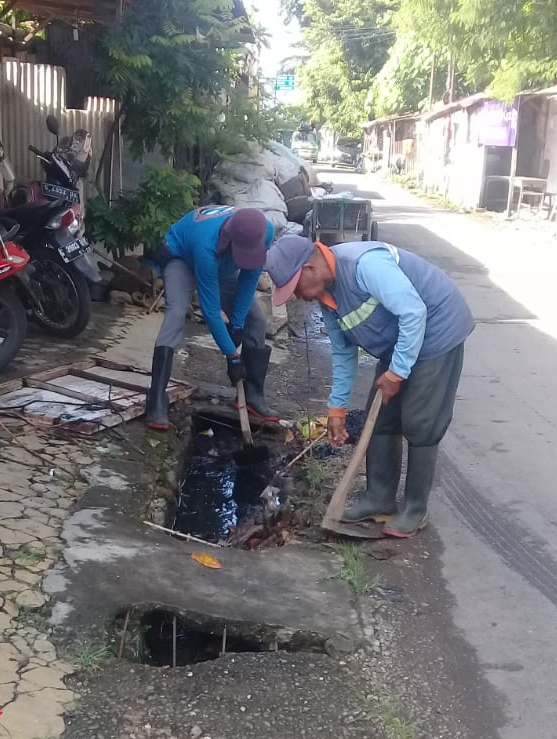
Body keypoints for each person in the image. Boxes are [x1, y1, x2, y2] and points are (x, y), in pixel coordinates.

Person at [265, 234, 474, 536]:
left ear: (309, 268)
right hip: (399, 339)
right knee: (381, 418)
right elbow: (342, 352)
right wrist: (336, 407)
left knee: (420, 420)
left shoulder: (365, 265)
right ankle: (379, 498)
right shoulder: (326, 297)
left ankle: (415, 509)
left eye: (295, 288)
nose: (298, 297)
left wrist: (397, 372)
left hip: (437, 332)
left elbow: (414, 313)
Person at [145, 206, 277, 431]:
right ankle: (156, 399)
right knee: (175, 315)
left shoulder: (264, 231)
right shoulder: (206, 242)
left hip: (224, 264)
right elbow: (211, 310)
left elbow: (249, 278)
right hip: (182, 257)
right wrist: (232, 355)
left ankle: (252, 395)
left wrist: (237, 323)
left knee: (256, 319)